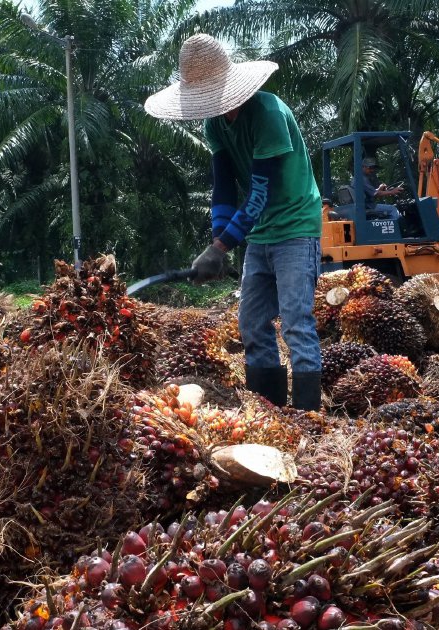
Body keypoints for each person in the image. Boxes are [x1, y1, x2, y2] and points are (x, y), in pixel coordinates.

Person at [144, 34, 323, 411]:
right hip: (260, 234)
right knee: (252, 324)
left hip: (294, 226)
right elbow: (223, 188)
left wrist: (219, 248)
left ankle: (309, 415)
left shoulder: (268, 113)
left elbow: (260, 192)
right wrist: (217, 239)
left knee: (295, 322)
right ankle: (268, 410)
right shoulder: (216, 125)